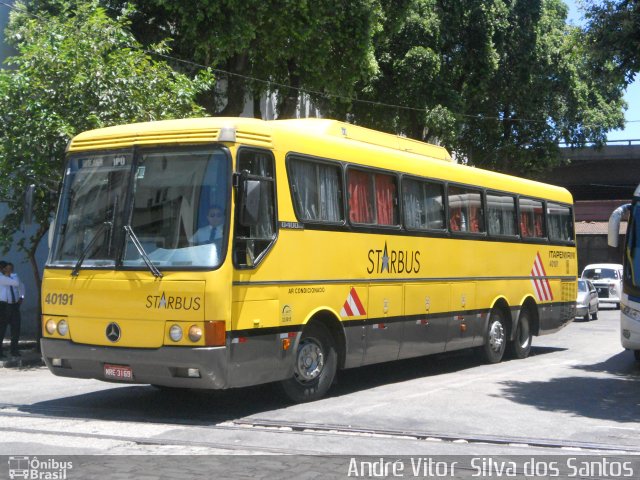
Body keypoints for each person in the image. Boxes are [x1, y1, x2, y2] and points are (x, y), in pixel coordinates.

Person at [0, 261, 21, 358]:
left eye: (10, 269)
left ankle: (14, 350)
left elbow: (20, 287)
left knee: (16, 329)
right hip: (3, 306)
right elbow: (16, 283)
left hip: (14, 305)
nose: (8, 270)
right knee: (2, 329)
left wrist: (21, 297)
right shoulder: (1, 278)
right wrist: (11, 274)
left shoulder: (11, 277)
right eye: (6, 268)